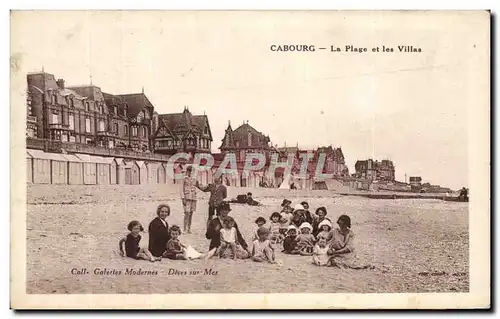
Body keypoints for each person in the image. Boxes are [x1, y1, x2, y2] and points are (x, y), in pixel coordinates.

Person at [180, 165, 198, 233]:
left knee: (191, 213)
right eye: (190, 171)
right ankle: (184, 228)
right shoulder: (184, 178)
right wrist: (183, 198)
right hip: (187, 198)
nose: (191, 173)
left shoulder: (194, 179)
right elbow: (181, 189)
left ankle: (189, 228)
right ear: (188, 171)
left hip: (193, 198)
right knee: (187, 213)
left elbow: (198, 186)